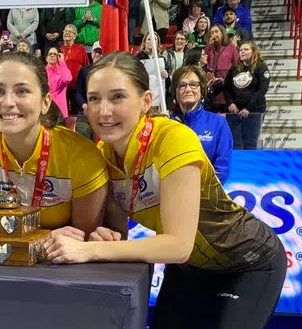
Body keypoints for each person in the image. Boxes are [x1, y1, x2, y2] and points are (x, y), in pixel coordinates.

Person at [44, 52, 286, 329]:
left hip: (248, 262)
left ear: (146, 101)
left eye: (118, 97)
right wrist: (105, 236)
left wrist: (90, 250)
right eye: (94, 98)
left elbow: (178, 245)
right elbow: (116, 234)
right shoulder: (102, 154)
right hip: (190, 268)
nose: (104, 111)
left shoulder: (173, 138)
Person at [0, 52, 109, 238]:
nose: (8, 103)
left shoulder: (82, 157)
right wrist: (44, 238)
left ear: (45, 102)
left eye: (22, 91)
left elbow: (83, 240)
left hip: (62, 264)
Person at [170, 66, 232, 184]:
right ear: (175, 93)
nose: (188, 89)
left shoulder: (218, 123)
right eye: (182, 85)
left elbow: (222, 168)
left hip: (204, 197)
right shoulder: (167, 124)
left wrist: (199, 194)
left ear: (202, 90)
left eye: (193, 84)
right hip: (172, 194)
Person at [224, 42, 269, 150]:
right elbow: (227, 88)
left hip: (254, 111)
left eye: (246, 49)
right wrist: (230, 103)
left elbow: (262, 90)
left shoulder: (261, 67)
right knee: (235, 143)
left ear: (253, 52)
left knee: (250, 144)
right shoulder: (235, 68)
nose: (242, 51)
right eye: (241, 50)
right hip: (235, 112)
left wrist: (248, 108)